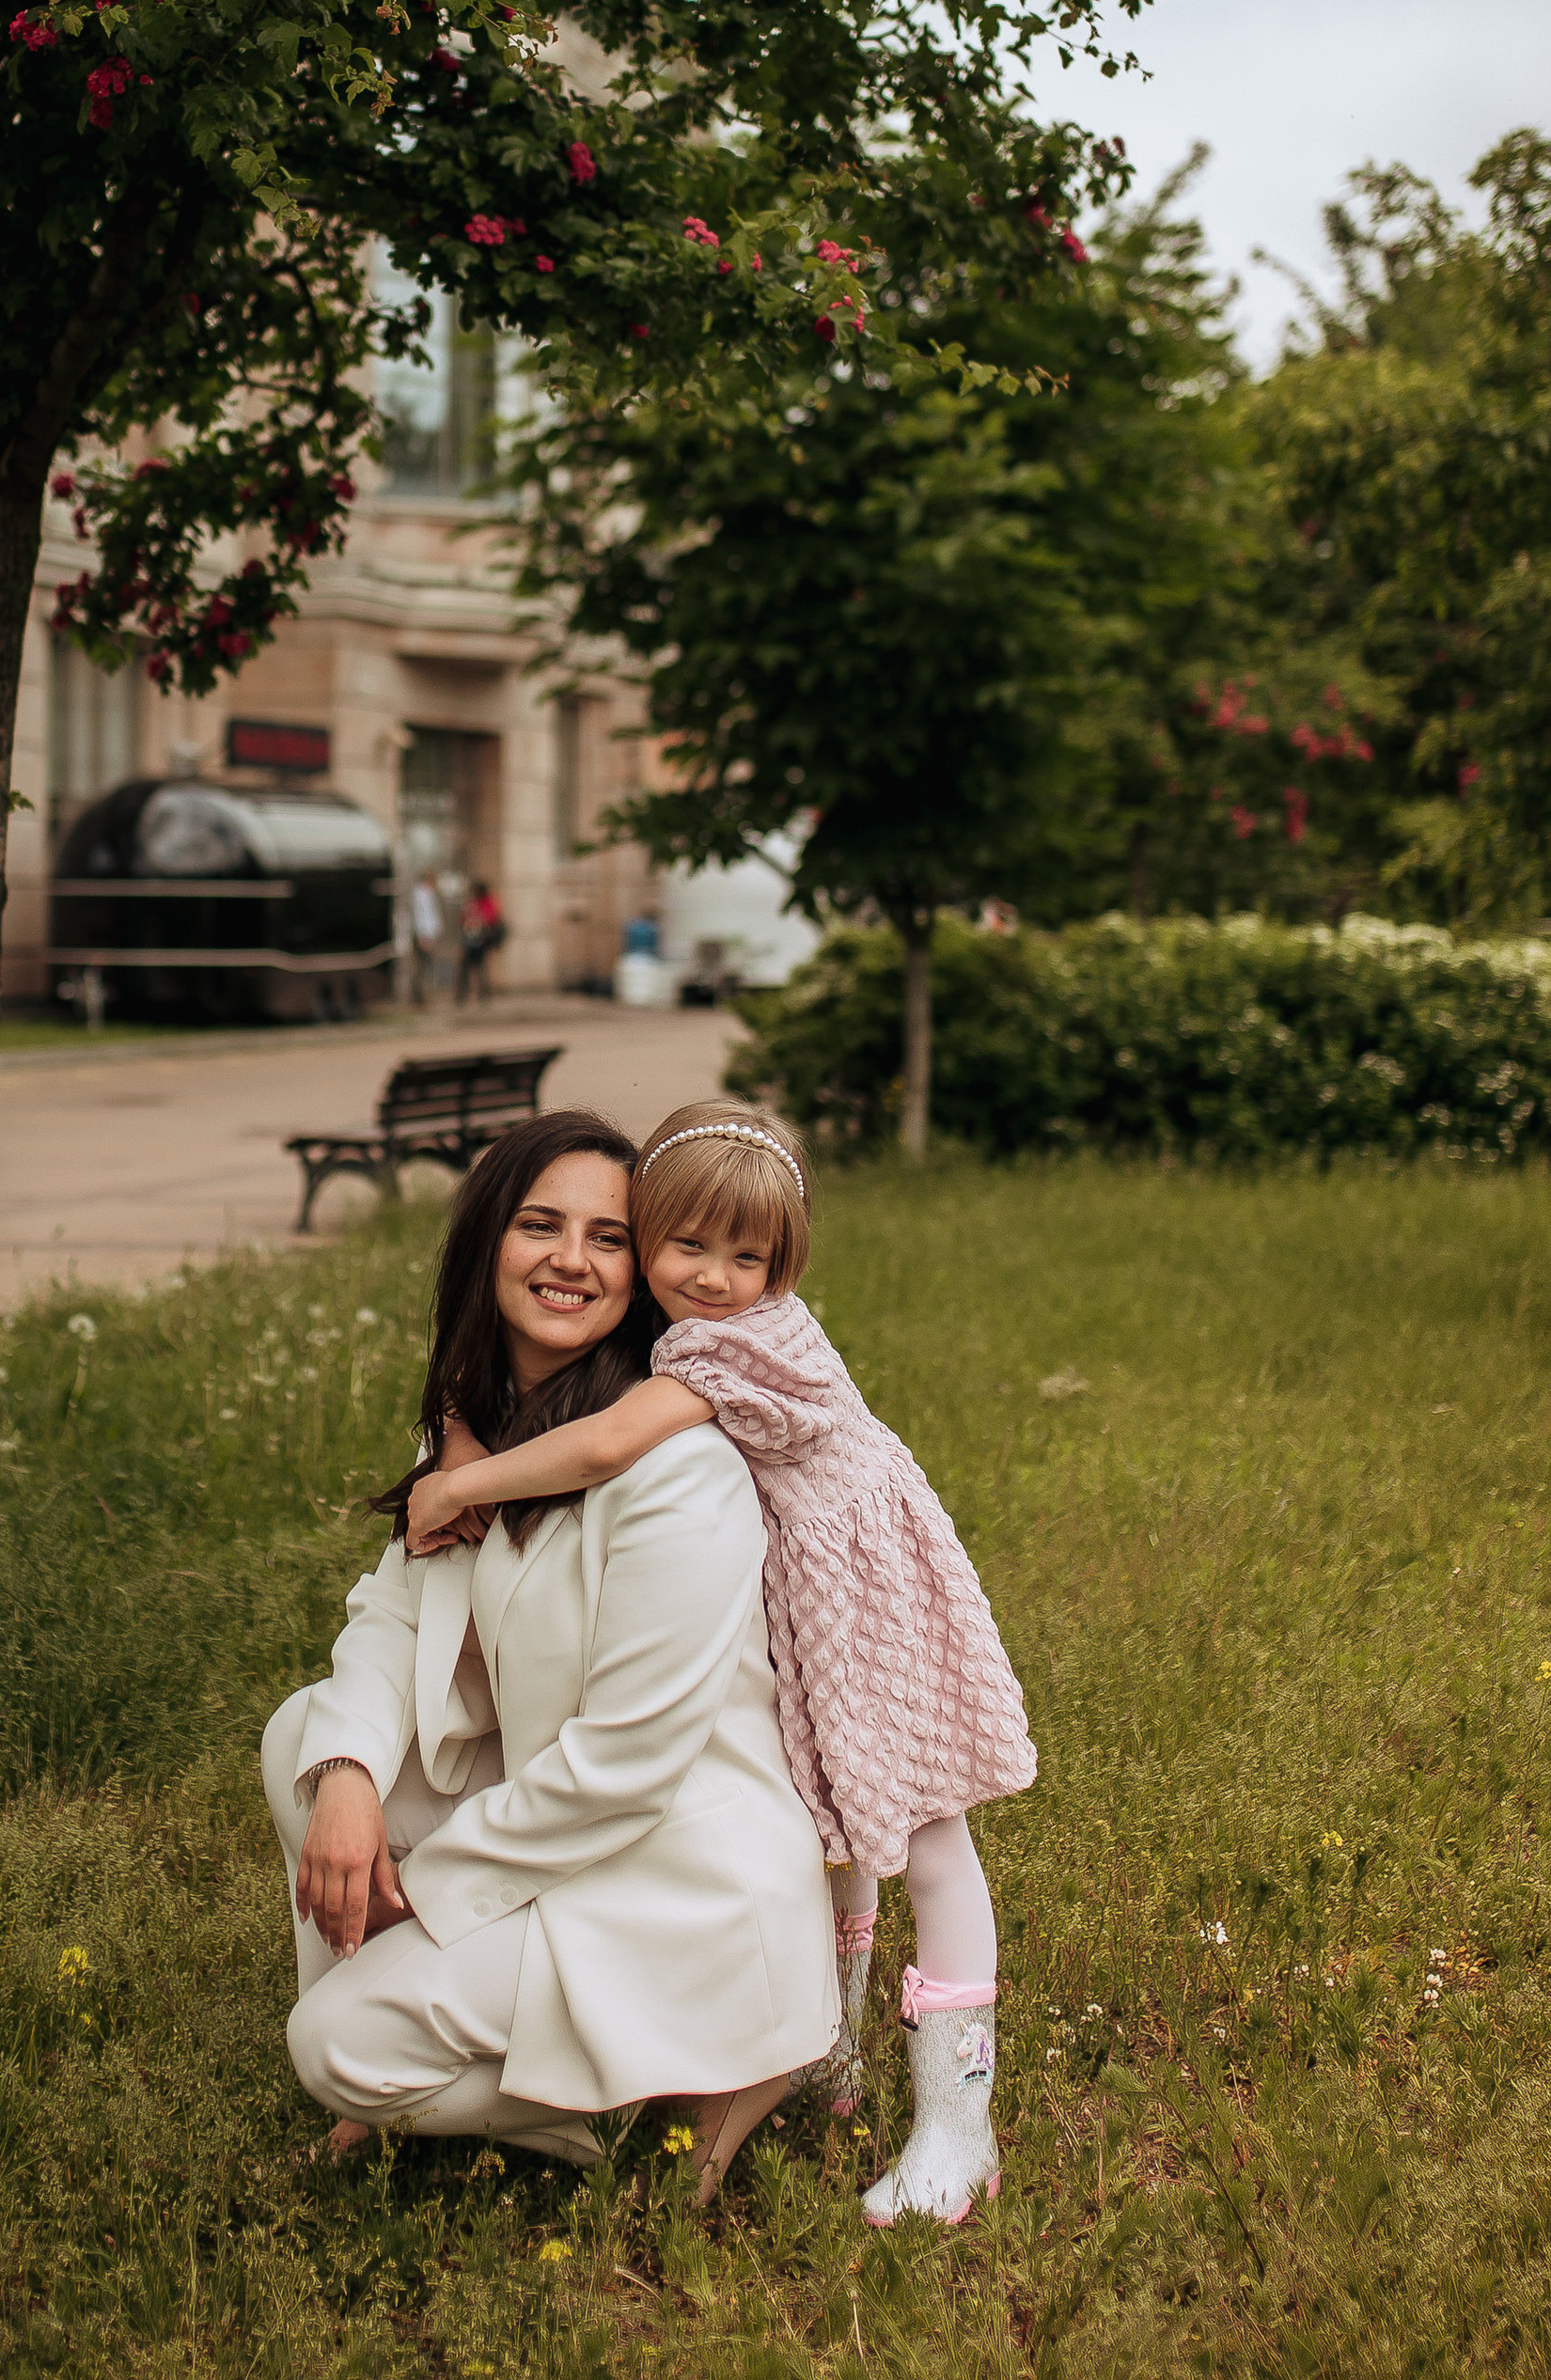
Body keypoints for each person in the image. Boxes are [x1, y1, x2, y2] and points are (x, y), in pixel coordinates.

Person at [407, 1093, 1037, 2230]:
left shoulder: (738, 1346)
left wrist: (455, 1483)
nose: (711, 1275)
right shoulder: (687, 1333)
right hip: (806, 1600)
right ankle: (828, 2054)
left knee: (929, 1842)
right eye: (685, 1245)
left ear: (782, 1268)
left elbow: (601, 1443)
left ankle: (959, 2127)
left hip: (867, 1604)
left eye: (747, 1257)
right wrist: (459, 1420)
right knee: (825, 1822)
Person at [261, 1110, 838, 2198]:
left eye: (609, 1237)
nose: (570, 1259)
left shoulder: (676, 1468)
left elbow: (626, 1764)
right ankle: (415, 2058)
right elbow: (393, 1616)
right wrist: (344, 1782)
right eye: (539, 1224)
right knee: (307, 1734)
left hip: (678, 1876)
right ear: (489, 1244)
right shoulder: (478, 1433)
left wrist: (424, 1890)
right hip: (566, 1821)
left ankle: (658, 2111)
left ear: (643, 1270)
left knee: (332, 2048)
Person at [455, 876, 503, 1004]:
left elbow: (490, 920)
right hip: (471, 939)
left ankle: (483, 994)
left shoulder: (487, 903)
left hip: (482, 940)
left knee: (480, 968)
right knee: (470, 967)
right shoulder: (474, 903)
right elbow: (463, 919)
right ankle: (464, 995)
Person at [407, 869, 443, 1003]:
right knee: (422, 966)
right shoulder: (420, 895)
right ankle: (420, 996)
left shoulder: (427, 894)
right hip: (424, 936)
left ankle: (423, 995)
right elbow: (420, 917)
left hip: (428, 935)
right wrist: (423, 936)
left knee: (425, 966)